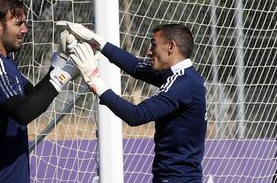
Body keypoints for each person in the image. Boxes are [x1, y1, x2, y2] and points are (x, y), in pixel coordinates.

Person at [60, 21, 207, 182]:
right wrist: (94, 40)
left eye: (153, 45)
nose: (148, 51)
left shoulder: (182, 83)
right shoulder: (184, 76)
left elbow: (136, 115)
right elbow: (135, 66)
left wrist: (94, 81)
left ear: (171, 47)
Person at [0, 0, 78, 183]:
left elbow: (32, 96)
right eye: (18, 24)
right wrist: (65, 75)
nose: (25, 29)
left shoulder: (4, 61)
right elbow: (23, 112)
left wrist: (60, 63)